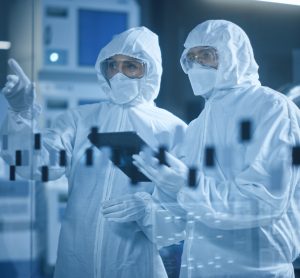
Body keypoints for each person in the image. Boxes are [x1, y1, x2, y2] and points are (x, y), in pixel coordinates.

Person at [111, 20, 300, 277]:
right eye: (190, 57)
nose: (196, 65)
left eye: (206, 56)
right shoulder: (197, 127)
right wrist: (148, 209)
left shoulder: (271, 107)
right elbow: (180, 224)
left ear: (234, 54)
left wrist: (186, 186)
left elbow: (264, 201)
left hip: (257, 271)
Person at [0, 26, 187, 278]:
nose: (118, 74)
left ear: (150, 71)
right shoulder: (80, 120)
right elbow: (35, 164)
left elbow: (181, 216)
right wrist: (19, 114)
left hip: (135, 267)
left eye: (131, 66)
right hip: (76, 262)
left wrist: (147, 210)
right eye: (112, 66)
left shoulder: (172, 129)